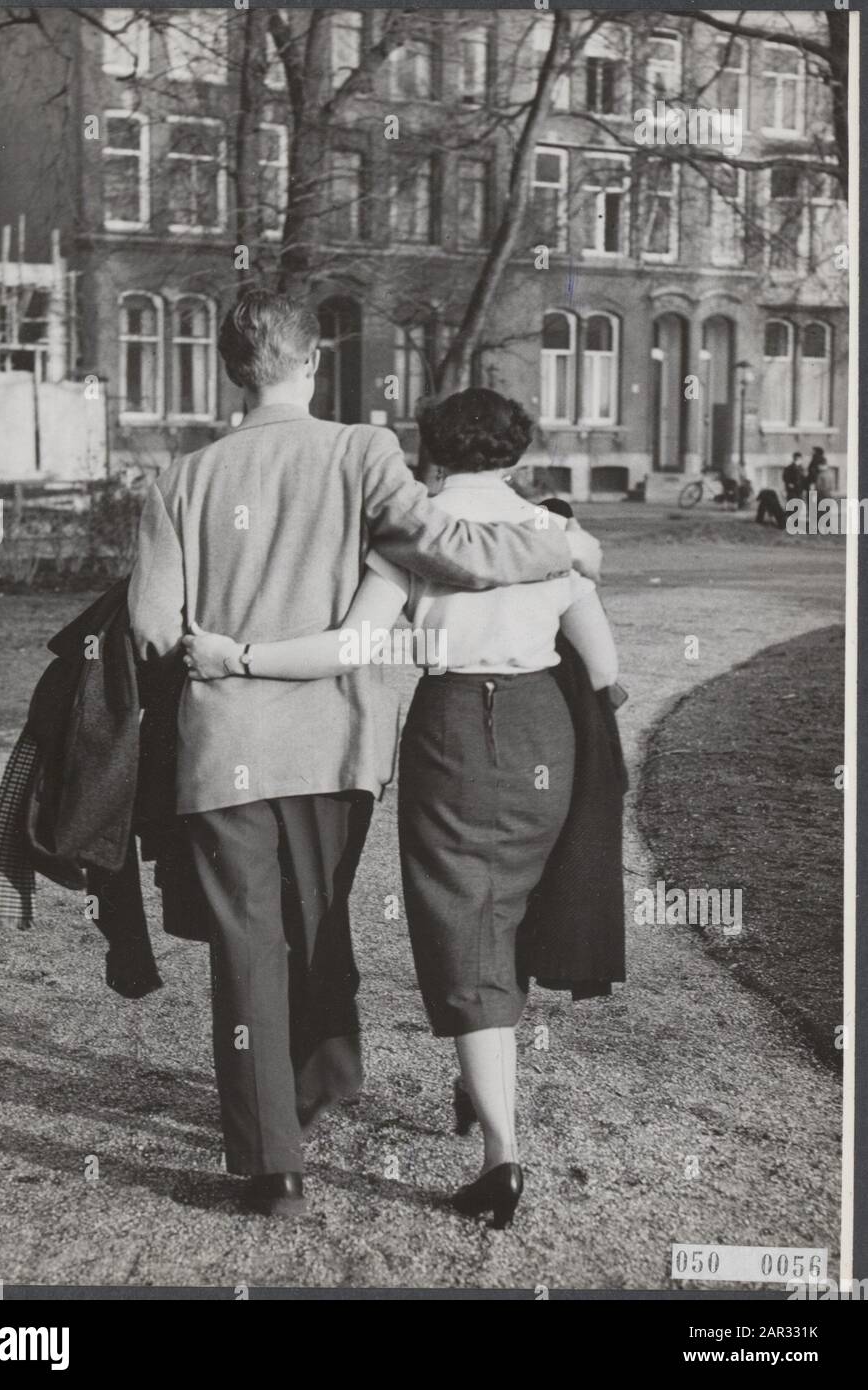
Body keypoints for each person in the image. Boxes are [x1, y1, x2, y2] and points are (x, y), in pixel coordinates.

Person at [128, 293, 603, 1217]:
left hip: (222, 742)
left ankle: (275, 1165)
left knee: (244, 947)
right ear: (313, 362)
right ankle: (320, 1080)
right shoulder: (362, 453)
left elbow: (153, 629)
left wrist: (219, 643)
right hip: (334, 744)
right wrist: (563, 541)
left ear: (234, 372)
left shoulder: (178, 480)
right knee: (317, 922)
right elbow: (452, 549)